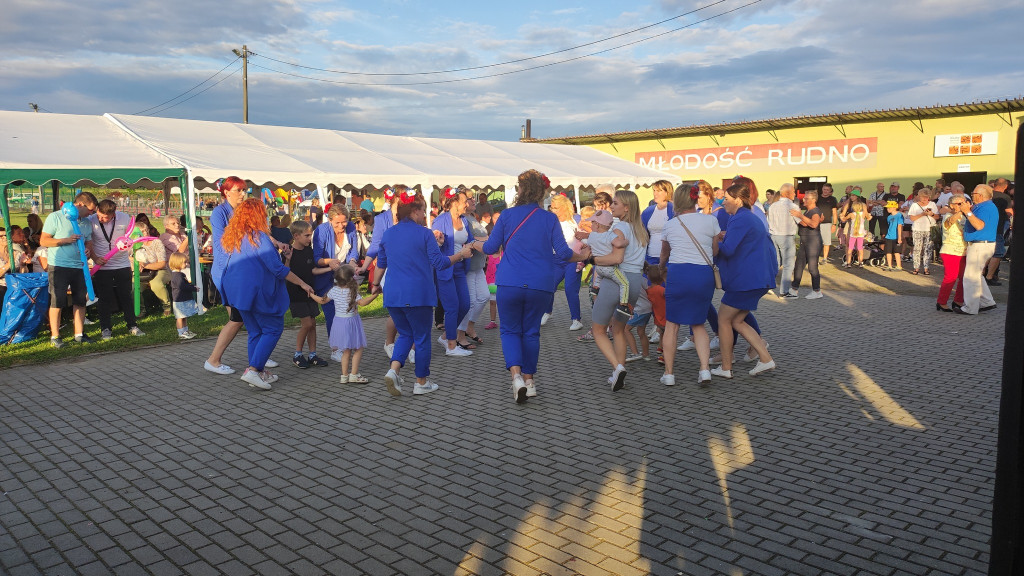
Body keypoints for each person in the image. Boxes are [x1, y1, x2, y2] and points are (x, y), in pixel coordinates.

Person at [476, 169, 589, 402]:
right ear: (542, 191)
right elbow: (564, 252)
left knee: (509, 330)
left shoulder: (507, 216)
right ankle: (530, 381)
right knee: (531, 332)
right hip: (540, 283)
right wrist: (583, 257)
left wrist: (475, 246)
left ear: (520, 189)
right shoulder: (549, 218)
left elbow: (490, 248)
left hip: (510, 281)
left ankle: (516, 377)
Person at [372, 190, 473, 397]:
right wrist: (460, 255)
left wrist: (374, 284)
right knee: (421, 338)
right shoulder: (425, 234)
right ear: (415, 211)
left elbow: (381, 264)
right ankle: (421, 382)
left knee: (405, 334)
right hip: (418, 294)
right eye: (423, 211)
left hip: (393, 295)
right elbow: (440, 263)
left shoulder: (388, 233)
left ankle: (394, 370)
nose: (425, 215)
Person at [220, 199, 314, 390]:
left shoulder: (236, 236)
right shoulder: (259, 237)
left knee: (255, 331)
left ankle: (257, 371)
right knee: (272, 329)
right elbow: (277, 269)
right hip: (256, 291)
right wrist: (303, 283)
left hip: (237, 291)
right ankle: (254, 370)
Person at [712, 181, 777, 378]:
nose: (724, 202)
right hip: (757, 278)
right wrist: (724, 237)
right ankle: (765, 358)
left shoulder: (740, 219)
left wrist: (714, 240)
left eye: (728, 199)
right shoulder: (749, 216)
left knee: (723, 319)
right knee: (737, 321)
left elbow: (729, 250)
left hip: (746, 280)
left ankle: (725, 367)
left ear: (739, 200)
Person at [658, 182, 720, 386]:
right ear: (695, 199)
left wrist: (660, 267)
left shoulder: (670, 224)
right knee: (698, 323)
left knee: (672, 324)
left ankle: (669, 373)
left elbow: (664, 253)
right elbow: (715, 251)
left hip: (678, 273)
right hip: (702, 274)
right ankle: (704, 370)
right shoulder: (710, 221)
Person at [585, 189, 647, 392]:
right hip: (635, 281)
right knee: (619, 329)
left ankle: (618, 367)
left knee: (598, 330)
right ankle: (618, 373)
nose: (611, 207)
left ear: (627, 207)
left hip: (617, 280)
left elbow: (616, 258)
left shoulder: (619, 228)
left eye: (616, 203)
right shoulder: (640, 229)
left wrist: (592, 260)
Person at [39, 191, 100, 348]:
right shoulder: (56, 217)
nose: (91, 214)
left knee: (80, 301)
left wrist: (87, 250)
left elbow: (89, 242)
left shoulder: (86, 222)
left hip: (79, 266)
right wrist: (64, 240)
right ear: (79, 205)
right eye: (90, 210)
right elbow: (44, 240)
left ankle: (79, 334)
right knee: (58, 301)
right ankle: (55, 336)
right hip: (58, 265)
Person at [310, 265, 379, 384]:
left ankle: (344, 375)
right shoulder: (352, 291)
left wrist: (311, 294)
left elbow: (322, 300)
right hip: (351, 322)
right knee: (358, 348)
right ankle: (354, 374)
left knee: (346, 350)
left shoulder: (334, 290)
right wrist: (375, 295)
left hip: (339, 322)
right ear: (351, 279)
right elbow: (362, 303)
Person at [88, 199, 145, 340]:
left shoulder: (124, 218)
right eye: (99, 215)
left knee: (125, 296)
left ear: (113, 214)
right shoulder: (91, 220)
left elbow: (133, 236)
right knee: (104, 298)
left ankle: (132, 325)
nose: (100, 219)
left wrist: (130, 244)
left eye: (104, 217)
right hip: (102, 266)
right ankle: (106, 329)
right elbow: (88, 242)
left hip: (122, 264)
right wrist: (95, 258)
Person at [432, 187, 478, 356]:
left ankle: (446, 337)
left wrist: (474, 245)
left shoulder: (464, 220)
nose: (467, 203)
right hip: (445, 269)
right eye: (464, 200)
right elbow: (434, 245)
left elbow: (470, 239)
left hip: (460, 269)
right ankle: (451, 346)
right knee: (452, 307)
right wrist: (438, 241)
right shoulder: (440, 220)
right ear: (454, 202)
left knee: (465, 305)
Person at [284, 219, 331, 368]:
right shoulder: (288, 252)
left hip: (310, 292)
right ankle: (297, 354)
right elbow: (285, 272)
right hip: (296, 293)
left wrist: (330, 268)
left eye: (310, 235)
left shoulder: (309, 251)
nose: (310, 238)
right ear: (296, 236)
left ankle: (312, 354)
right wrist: (288, 260)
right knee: (307, 324)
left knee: (313, 324)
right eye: (307, 235)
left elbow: (313, 270)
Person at [312, 204, 358, 334]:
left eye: (344, 221)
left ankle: (346, 344)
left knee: (348, 312)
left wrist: (353, 262)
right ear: (330, 220)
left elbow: (353, 252)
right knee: (332, 315)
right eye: (337, 222)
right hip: (326, 279)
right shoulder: (322, 230)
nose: (341, 225)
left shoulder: (351, 227)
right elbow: (317, 259)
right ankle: (336, 348)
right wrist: (329, 262)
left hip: (344, 278)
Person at [956, 185, 999, 315]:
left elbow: (979, 225)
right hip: (982, 244)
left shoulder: (986, 207)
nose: (972, 195)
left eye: (973, 193)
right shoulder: (986, 206)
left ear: (980, 195)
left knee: (970, 277)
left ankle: (970, 307)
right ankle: (987, 301)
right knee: (976, 275)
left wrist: (968, 212)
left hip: (980, 244)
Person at [544, 194, 584, 331]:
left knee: (570, 289)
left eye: (556, 208)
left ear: (564, 207)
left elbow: (585, 234)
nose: (553, 210)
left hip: (572, 259)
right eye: (552, 208)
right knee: (549, 286)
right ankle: (547, 311)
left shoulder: (576, 220)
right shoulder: (550, 221)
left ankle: (576, 319)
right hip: (556, 259)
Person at [581, 210, 631, 316]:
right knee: (625, 283)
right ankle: (624, 305)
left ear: (597, 225)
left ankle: (595, 288)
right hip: (610, 268)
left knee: (599, 278)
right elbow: (618, 244)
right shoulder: (610, 235)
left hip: (598, 268)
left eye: (592, 223)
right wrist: (626, 242)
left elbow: (588, 246)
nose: (591, 225)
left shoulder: (591, 236)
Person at [458, 201, 492, 343]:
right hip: (470, 265)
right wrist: (488, 240)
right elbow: (469, 239)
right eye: (469, 198)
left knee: (484, 296)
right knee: (470, 302)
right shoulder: (463, 219)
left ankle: (469, 327)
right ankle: (458, 335)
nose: (473, 201)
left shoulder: (472, 217)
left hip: (479, 265)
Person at [937, 193, 968, 312]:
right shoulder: (947, 215)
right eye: (959, 204)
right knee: (951, 277)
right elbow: (949, 222)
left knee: (964, 277)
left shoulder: (965, 217)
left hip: (963, 251)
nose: (962, 205)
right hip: (950, 251)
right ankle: (942, 302)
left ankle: (958, 300)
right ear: (951, 205)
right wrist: (961, 211)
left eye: (964, 203)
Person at [789, 191, 823, 299]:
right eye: (804, 198)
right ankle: (794, 289)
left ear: (813, 200)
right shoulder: (808, 211)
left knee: (812, 267)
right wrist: (797, 218)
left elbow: (813, 224)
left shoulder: (815, 211)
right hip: (804, 241)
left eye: (806, 198)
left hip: (813, 241)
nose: (804, 200)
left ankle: (817, 291)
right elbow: (805, 223)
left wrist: (799, 215)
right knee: (799, 265)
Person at [767, 183, 799, 298]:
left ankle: (768, 285)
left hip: (774, 235)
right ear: (788, 193)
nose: (795, 194)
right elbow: (800, 220)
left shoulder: (772, 206)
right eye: (794, 191)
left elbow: (768, 221)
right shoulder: (792, 206)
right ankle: (784, 291)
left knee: (776, 261)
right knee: (788, 265)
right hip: (786, 236)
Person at [986, 177, 1013, 286]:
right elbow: (1009, 212)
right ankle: (989, 276)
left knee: (986, 251)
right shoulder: (1005, 197)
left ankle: (981, 273)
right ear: (1005, 186)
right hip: (998, 228)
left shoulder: (988, 195)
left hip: (985, 228)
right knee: (997, 253)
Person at [642, 180, 675, 267]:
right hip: (650, 257)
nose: (655, 194)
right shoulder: (648, 211)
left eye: (659, 191)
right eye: (654, 190)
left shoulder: (674, 210)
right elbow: (642, 234)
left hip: (670, 258)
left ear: (667, 192)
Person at [906, 189, 939, 275]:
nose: (925, 199)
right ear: (919, 197)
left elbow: (937, 217)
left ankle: (926, 267)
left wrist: (931, 214)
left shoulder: (932, 204)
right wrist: (922, 214)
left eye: (927, 197)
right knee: (917, 249)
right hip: (917, 229)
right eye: (923, 197)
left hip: (929, 229)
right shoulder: (914, 205)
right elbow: (912, 218)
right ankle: (916, 267)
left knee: (928, 249)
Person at [168, 252, 200, 340]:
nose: (187, 264)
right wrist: (193, 288)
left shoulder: (179, 274)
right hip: (179, 300)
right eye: (184, 262)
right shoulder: (177, 276)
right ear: (177, 263)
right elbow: (181, 286)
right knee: (180, 317)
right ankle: (181, 332)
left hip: (182, 299)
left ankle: (185, 330)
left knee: (184, 316)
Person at [841, 193, 871, 267]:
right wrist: (870, 216)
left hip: (852, 234)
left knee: (850, 248)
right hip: (860, 234)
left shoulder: (851, 214)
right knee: (860, 248)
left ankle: (848, 263)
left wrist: (841, 216)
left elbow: (844, 219)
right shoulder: (863, 214)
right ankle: (860, 263)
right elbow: (869, 218)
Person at [818, 184, 839, 262]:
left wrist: (834, 224)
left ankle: (825, 258)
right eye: (824, 189)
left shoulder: (832, 199)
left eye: (827, 190)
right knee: (816, 241)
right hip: (816, 223)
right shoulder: (817, 198)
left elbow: (834, 212)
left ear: (830, 191)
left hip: (827, 223)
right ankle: (815, 256)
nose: (825, 191)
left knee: (826, 241)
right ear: (822, 189)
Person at [882, 201, 905, 271]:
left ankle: (899, 266)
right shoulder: (889, 217)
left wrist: (899, 237)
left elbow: (899, 226)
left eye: (889, 207)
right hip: (889, 236)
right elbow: (889, 226)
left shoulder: (899, 215)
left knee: (896, 252)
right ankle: (889, 265)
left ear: (894, 207)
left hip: (896, 236)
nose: (887, 209)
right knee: (888, 251)